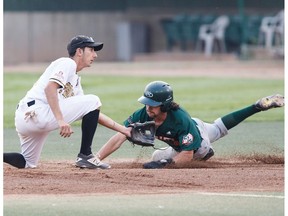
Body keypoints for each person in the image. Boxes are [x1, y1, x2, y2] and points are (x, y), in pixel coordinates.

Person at [3, 35, 131, 169]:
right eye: (91, 50)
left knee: (28, 162)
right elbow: (50, 88)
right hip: (38, 112)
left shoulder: (75, 80)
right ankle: (85, 155)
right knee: (93, 100)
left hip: (26, 119)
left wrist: (124, 131)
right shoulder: (67, 63)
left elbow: (92, 111)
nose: (95, 55)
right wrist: (60, 121)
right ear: (79, 52)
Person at [96, 80, 284, 169]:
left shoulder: (180, 120)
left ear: (166, 105)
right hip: (194, 127)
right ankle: (258, 105)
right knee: (157, 155)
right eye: (146, 103)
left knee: (197, 151)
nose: (148, 108)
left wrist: (166, 165)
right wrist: (97, 157)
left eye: (153, 105)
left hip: (196, 140)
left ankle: (206, 153)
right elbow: (120, 134)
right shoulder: (143, 113)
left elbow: (186, 154)